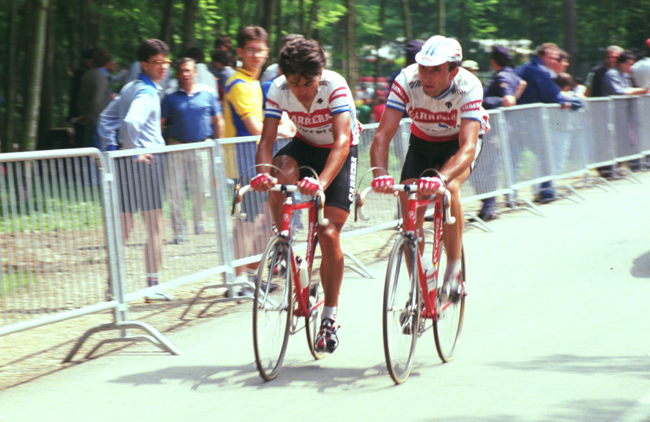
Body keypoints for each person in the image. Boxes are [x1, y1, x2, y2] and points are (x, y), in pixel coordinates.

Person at [251, 38, 360, 353]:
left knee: (328, 233)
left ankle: (329, 315)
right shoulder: (277, 88)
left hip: (339, 153)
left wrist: (322, 183)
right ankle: (282, 239)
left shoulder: (334, 85)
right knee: (278, 173)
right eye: (293, 82)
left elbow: (341, 141)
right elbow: (267, 137)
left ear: (320, 73)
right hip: (305, 144)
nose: (300, 90)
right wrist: (261, 172)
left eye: (307, 82)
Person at [370, 35, 488, 306]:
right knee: (409, 204)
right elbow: (382, 136)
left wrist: (441, 178)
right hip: (423, 142)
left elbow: (468, 147)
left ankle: (453, 269)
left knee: (449, 191)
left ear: (453, 71)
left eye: (436, 70)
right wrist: (380, 175)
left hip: (457, 145)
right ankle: (418, 289)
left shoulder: (469, 84)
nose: (427, 76)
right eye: (423, 68)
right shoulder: (406, 79)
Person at [98, 39, 172, 302]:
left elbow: (106, 119)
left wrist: (112, 148)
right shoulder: (147, 93)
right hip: (146, 163)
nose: (163, 67)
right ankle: (153, 286)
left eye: (166, 62)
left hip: (126, 163)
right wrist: (135, 151)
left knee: (124, 228)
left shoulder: (129, 87)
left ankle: (112, 287)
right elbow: (130, 122)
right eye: (157, 63)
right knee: (155, 226)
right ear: (144, 64)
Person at [223, 26, 294, 286]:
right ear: (240, 52)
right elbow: (255, 127)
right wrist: (285, 130)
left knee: (262, 221)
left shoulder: (254, 83)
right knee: (247, 223)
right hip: (242, 164)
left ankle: (251, 275)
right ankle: (235, 279)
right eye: (250, 50)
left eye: (260, 50)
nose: (255, 55)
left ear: (267, 53)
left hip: (256, 162)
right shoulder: (239, 84)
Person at [161, 58, 224, 244]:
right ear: (178, 74)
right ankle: (179, 230)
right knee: (175, 191)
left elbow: (218, 120)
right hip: (176, 147)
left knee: (201, 190)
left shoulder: (208, 94)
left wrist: (218, 145)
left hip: (201, 147)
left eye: (188, 70)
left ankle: (199, 220)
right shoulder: (170, 97)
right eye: (181, 71)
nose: (185, 74)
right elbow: (160, 123)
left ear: (195, 72)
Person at [516, 42, 568, 202]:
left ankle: (511, 197)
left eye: (556, 58)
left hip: (517, 119)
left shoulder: (523, 68)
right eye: (551, 57)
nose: (554, 61)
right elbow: (553, 96)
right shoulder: (541, 72)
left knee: (514, 159)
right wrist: (565, 100)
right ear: (540, 56)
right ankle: (545, 192)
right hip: (533, 121)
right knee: (545, 156)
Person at [479, 46, 527, 221]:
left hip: (495, 130)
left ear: (493, 61)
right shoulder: (513, 75)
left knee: (487, 166)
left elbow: (507, 100)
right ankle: (489, 205)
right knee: (490, 166)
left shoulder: (502, 77)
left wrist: (496, 100)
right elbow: (523, 84)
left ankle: (489, 207)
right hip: (503, 127)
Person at [77, 48, 114, 149]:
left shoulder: (86, 74)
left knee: (89, 155)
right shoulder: (101, 77)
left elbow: (80, 99)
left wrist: (85, 115)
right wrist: (90, 115)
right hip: (98, 122)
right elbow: (97, 101)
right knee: (99, 156)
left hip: (88, 122)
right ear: (108, 62)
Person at [68, 49, 96, 148]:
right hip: (80, 112)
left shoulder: (84, 71)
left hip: (81, 111)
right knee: (81, 139)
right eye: (91, 59)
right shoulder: (83, 72)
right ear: (86, 60)